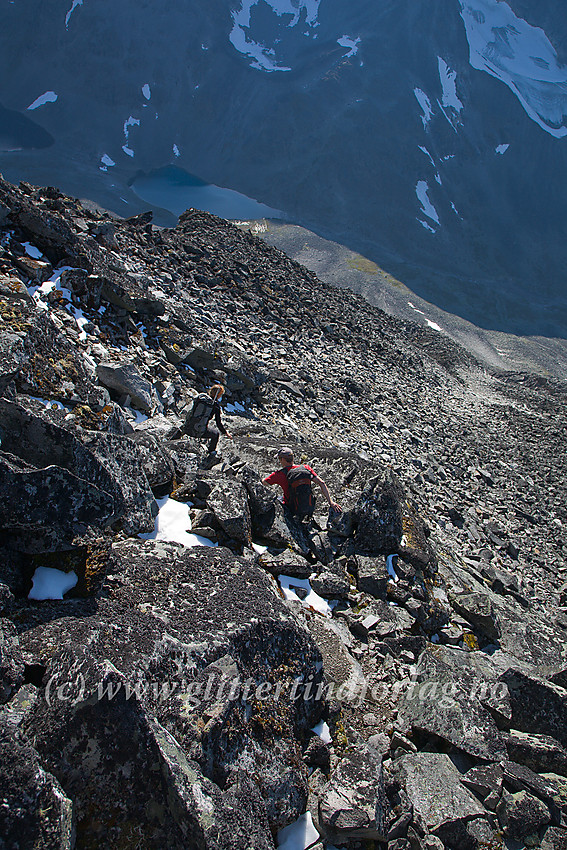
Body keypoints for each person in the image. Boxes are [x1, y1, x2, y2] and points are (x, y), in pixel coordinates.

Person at [263, 447, 342, 518]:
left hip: (292, 509)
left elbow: (263, 483)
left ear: (283, 459)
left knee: (276, 499)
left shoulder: (279, 474)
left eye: (279, 459)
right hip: (309, 507)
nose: (279, 461)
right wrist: (331, 502)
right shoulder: (305, 468)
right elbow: (322, 483)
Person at [184, 384, 231, 455]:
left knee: (182, 427)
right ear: (218, 395)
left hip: (187, 428)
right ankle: (211, 452)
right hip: (199, 431)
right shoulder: (215, 405)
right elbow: (218, 423)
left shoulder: (201, 398)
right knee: (216, 434)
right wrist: (225, 432)